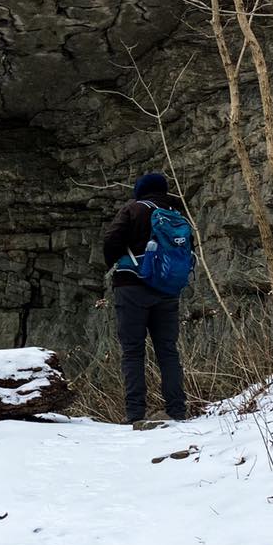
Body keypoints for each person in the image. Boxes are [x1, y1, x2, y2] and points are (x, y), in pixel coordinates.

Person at [102, 172, 191, 424]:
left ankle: (135, 414)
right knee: (168, 351)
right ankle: (176, 410)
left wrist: (116, 263)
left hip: (132, 287)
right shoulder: (177, 212)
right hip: (167, 289)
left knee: (133, 351)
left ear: (140, 189)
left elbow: (111, 239)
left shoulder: (134, 209)